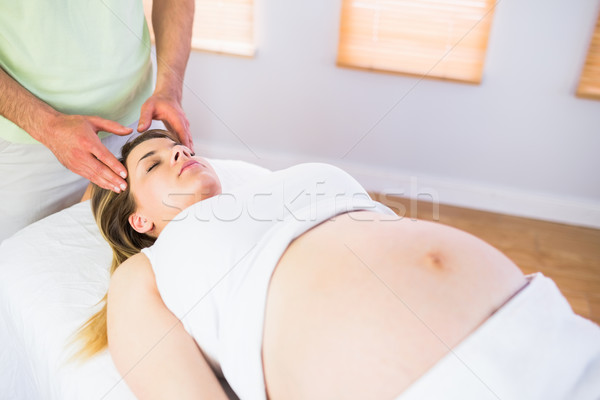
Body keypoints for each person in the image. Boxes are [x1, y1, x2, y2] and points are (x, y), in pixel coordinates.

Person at [74, 130, 600, 400]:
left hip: (540, 328)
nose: (180, 154)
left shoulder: (267, 187)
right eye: (154, 163)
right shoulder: (146, 271)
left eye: (180, 146)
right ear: (138, 221)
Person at [0, 0, 195, 243]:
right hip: (28, 141)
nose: (179, 152)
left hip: (140, 119)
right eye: (153, 165)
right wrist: (46, 126)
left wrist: (170, 90)